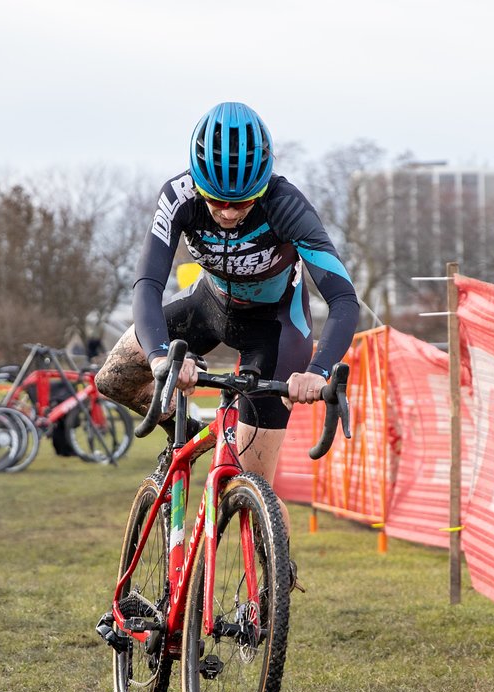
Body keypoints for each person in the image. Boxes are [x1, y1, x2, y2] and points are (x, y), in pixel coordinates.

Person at [95, 101, 360, 548]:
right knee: (114, 378)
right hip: (206, 306)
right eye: (216, 200)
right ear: (197, 183)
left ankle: (265, 599)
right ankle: (195, 430)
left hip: (275, 332)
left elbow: (343, 298)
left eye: (242, 202)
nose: (229, 212)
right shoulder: (177, 196)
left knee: (259, 494)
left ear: (262, 187)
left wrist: (317, 373)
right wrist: (161, 358)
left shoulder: (287, 204)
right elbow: (147, 284)